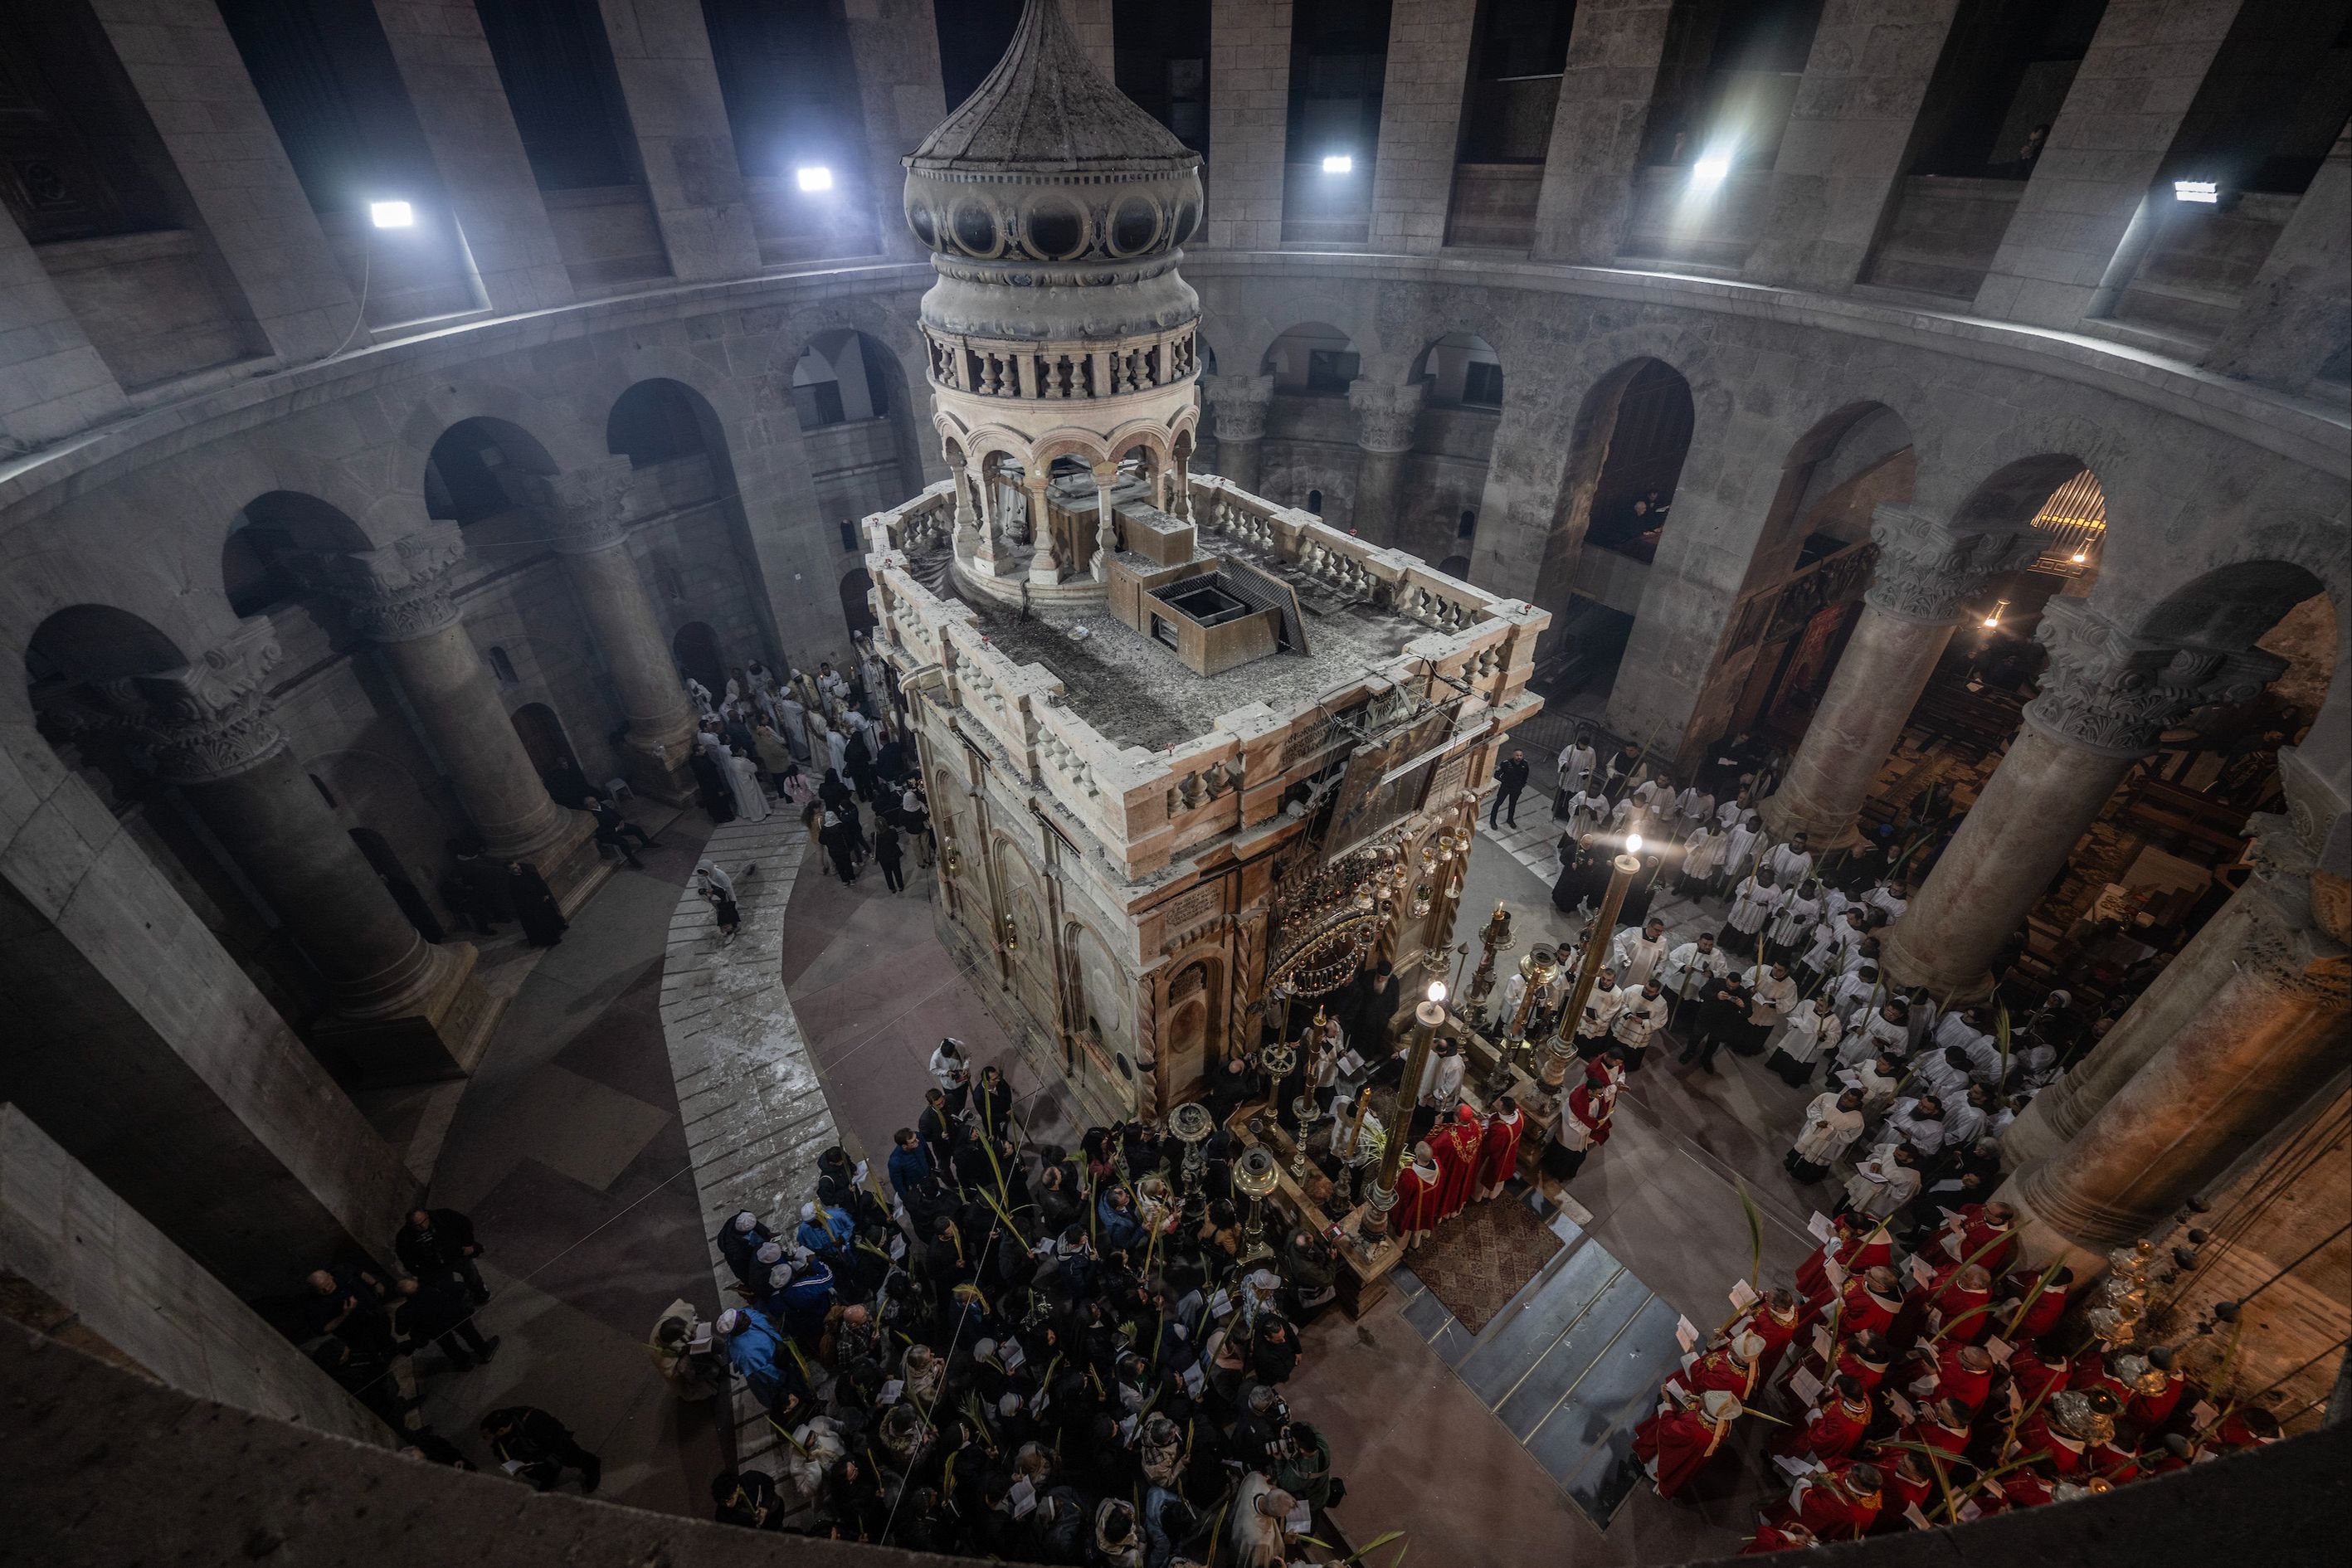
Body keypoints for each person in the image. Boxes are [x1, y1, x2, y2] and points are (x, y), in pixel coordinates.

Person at [480, 1405, 600, 1493]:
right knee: (533, 1471)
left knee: (571, 1457)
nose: (486, 1439)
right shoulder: (503, 1432)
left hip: (555, 1442)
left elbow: (554, 1441)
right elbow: (503, 1452)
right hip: (534, 1450)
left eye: (487, 1436)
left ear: (501, 1430)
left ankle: (592, 1465)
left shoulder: (534, 1420)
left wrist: (532, 1460)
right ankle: (550, 1474)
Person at [1545, 1054, 1621, 1184]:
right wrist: (1592, 1126)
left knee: (1577, 1157)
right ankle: (1556, 1174)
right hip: (1571, 1135)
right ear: (1590, 1091)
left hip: (1583, 1134)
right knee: (1563, 1158)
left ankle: (1569, 1173)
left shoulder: (1594, 1096)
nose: (1601, 1096)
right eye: (1599, 1094)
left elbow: (1596, 1108)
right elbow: (1572, 1122)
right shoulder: (1576, 1101)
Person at [394, 1207, 489, 1304]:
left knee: (471, 1274)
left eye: (424, 1221)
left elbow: (464, 1223)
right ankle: (460, 1304)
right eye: (417, 1225)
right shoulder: (405, 1237)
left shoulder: (442, 1216)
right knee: (447, 1288)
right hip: (435, 1266)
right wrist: (419, 1272)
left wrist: (468, 1244)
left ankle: (480, 1294)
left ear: (427, 1215)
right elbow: (405, 1257)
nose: (422, 1226)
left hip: (456, 1255)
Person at [1785, 1088, 1865, 1183]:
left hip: (1827, 1144)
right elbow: (1814, 1107)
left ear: (1857, 1103)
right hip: (1813, 1132)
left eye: (1850, 1101)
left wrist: (1830, 1131)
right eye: (1845, 1096)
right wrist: (1818, 1120)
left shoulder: (1857, 1120)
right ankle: (1790, 1164)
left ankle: (1804, 1177)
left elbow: (1851, 1137)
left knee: (1815, 1161)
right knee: (1802, 1148)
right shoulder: (1828, 1097)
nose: (1845, 1101)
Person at [506, 859, 567, 947]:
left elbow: (538, 882)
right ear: (510, 871)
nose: (518, 868)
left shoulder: (527, 872)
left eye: (517, 866)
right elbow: (520, 898)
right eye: (514, 868)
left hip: (541, 899)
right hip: (532, 905)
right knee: (543, 922)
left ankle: (558, 927)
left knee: (550, 915)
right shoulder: (513, 883)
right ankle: (551, 939)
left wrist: (545, 893)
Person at [725, 744, 772, 822]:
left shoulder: (731, 761)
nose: (742, 751)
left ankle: (748, 813)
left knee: (745, 799)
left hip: (740, 783)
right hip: (748, 783)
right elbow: (754, 769)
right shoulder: (743, 762)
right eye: (740, 750)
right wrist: (753, 764)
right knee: (754, 799)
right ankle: (759, 815)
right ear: (736, 752)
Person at [696, 859, 740, 938]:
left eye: (705, 872)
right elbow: (703, 885)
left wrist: (732, 900)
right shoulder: (708, 875)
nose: (704, 874)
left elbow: (728, 889)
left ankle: (731, 928)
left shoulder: (720, 876)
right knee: (722, 914)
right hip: (718, 899)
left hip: (725, 898)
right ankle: (728, 928)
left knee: (727, 914)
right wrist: (704, 891)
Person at [1489, 749, 1529, 829]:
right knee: (1498, 803)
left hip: (1516, 788)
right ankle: (1492, 821)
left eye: (1520, 755)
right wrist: (1503, 782)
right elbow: (1497, 774)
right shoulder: (1506, 764)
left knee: (1512, 804)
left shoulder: (1524, 764)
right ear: (1513, 755)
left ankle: (1510, 820)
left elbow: (1526, 775)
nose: (1519, 757)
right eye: (1517, 755)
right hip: (1506, 787)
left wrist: (1522, 785)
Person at [875, 816, 906, 893]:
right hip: (893, 854)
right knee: (897, 870)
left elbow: (874, 844)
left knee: (887, 873)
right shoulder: (892, 832)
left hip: (883, 857)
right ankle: (900, 886)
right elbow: (896, 839)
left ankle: (892, 888)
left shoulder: (874, 835)